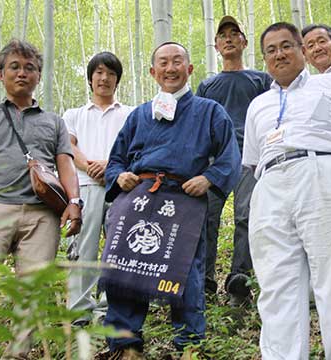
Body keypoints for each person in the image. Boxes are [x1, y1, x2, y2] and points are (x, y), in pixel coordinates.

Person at [99, 42, 241, 359]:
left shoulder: (209, 111)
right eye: (163, 62)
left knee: (185, 273)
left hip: (183, 202)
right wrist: (119, 176)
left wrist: (209, 178)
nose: (170, 68)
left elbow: (230, 157)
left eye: (177, 61)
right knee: (125, 268)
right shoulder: (138, 115)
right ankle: (125, 345)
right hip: (137, 199)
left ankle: (187, 345)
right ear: (153, 72)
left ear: (189, 69)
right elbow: (116, 161)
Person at [244, 22, 331, 359]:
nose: (280, 54)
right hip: (271, 183)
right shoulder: (257, 105)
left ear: (303, 51)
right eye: (271, 50)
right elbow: (252, 160)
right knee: (277, 286)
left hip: (325, 172)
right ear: (264, 59)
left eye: (287, 45)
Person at [0, 39, 81, 357]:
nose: (22, 73)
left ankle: (18, 353)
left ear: (39, 76)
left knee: (32, 291)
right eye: (14, 66)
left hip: (43, 214)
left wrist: (74, 202)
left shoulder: (53, 121)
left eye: (30, 68)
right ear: (0, 75)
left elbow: (66, 165)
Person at [196, 15, 272, 302]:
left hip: (249, 157)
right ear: (216, 45)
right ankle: (203, 279)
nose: (228, 38)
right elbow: (200, 124)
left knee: (246, 215)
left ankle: (239, 281)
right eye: (222, 35)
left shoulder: (260, 79)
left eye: (234, 33)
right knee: (206, 217)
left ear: (244, 41)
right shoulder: (207, 85)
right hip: (215, 160)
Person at [63, 52, 134, 326]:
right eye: (99, 73)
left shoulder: (129, 113)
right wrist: (91, 165)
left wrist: (111, 166)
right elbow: (68, 146)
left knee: (118, 250)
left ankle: (109, 310)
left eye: (111, 74)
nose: (104, 78)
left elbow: (135, 147)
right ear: (91, 78)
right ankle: (79, 311)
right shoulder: (74, 114)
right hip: (84, 188)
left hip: (120, 188)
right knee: (83, 249)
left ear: (117, 80)